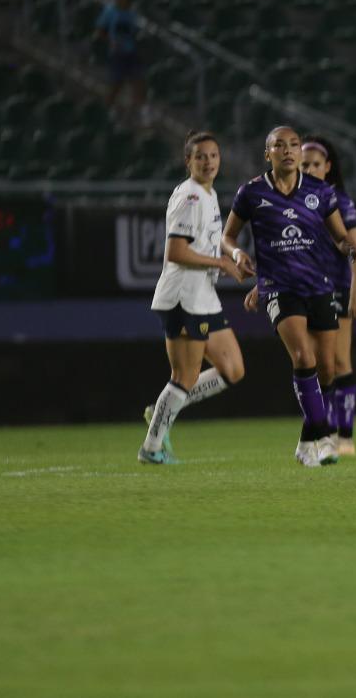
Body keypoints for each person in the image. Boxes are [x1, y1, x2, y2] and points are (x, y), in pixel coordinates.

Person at [225, 125, 356, 468]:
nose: (288, 150)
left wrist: (353, 250)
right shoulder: (252, 193)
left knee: (328, 368)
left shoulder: (320, 192)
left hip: (319, 286)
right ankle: (323, 437)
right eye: (280, 145)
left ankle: (305, 442)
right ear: (267, 153)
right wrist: (236, 255)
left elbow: (339, 237)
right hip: (279, 288)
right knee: (303, 356)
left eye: (294, 145)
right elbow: (227, 236)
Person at [139, 131, 252, 464]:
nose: (208, 162)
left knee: (232, 369)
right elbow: (176, 251)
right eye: (200, 156)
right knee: (183, 378)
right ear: (187, 161)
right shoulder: (191, 197)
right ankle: (151, 447)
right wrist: (221, 262)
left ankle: (161, 410)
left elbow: (204, 241)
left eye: (213, 155)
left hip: (203, 296)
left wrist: (233, 257)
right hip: (183, 298)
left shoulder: (207, 194)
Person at [302, 135, 356, 456]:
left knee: (338, 360)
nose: (310, 170)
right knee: (311, 362)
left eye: (315, 164)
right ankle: (320, 433)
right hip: (303, 288)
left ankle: (345, 437)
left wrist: (355, 292)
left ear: (327, 167)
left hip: (335, 288)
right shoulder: (291, 200)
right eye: (304, 165)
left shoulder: (340, 201)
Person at [93, 0, 147, 124]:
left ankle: (140, 113)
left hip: (131, 52)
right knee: (116, 84)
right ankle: (107, 110)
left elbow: (134, 33)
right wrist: (110, 41)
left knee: (138, 81)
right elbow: (100, 31)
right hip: (116, 54)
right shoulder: (110, 11)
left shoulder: (132, 14)